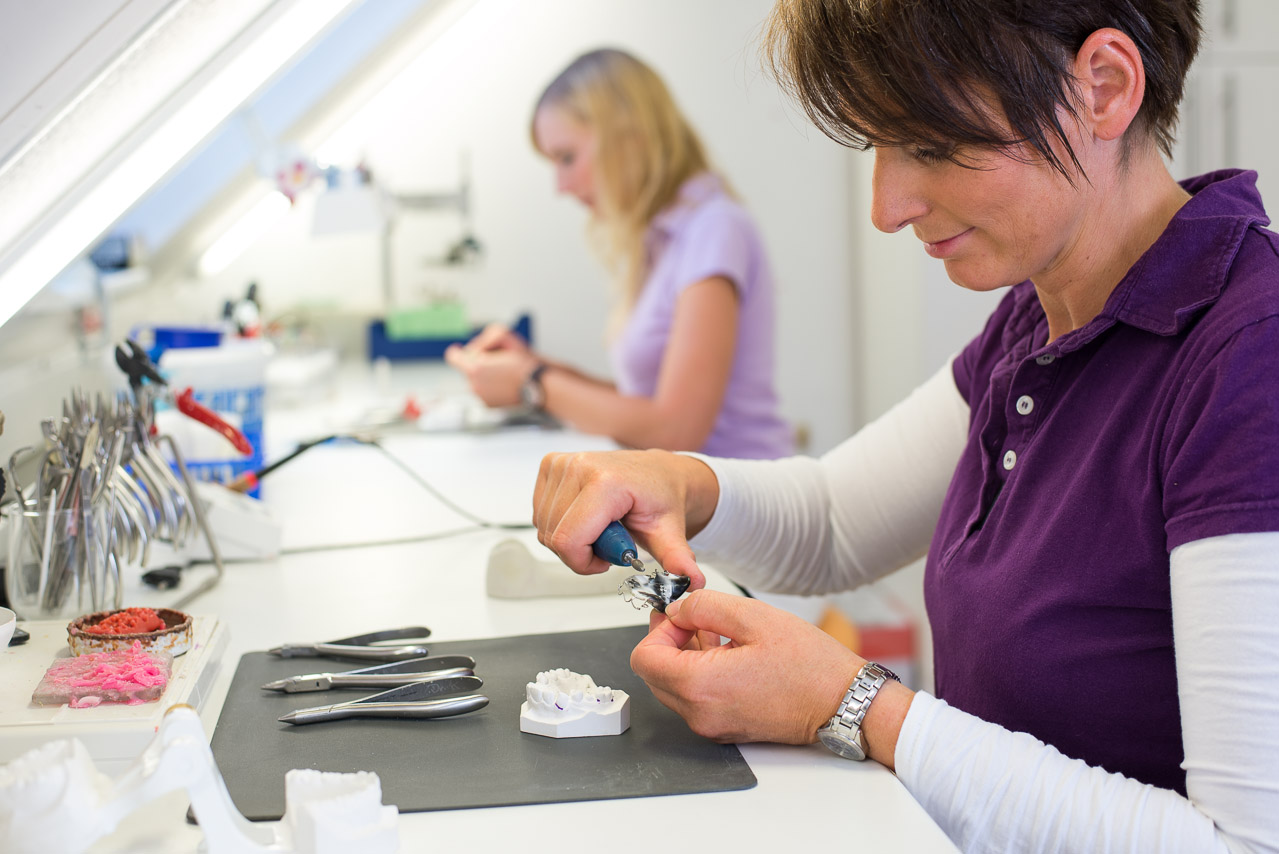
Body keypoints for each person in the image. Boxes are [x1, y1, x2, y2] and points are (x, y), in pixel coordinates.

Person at [530, 1, 1279, 851]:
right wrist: (681, 484)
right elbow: (835, 521)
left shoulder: (1249, 358)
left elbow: (1243, 844)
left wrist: (853, 706)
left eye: (929, 144)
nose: (886, 207)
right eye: (876, 146)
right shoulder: (1037, 318)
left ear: (1101, 87)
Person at [444, 48, 793, 460]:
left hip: (740, 494)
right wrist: (534, 366)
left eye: (567, 157)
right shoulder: (666, 238)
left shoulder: (713, 229)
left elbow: (676, 430)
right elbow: (643, 405)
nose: (561, 186)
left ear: (630, 137)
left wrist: (532, 382)